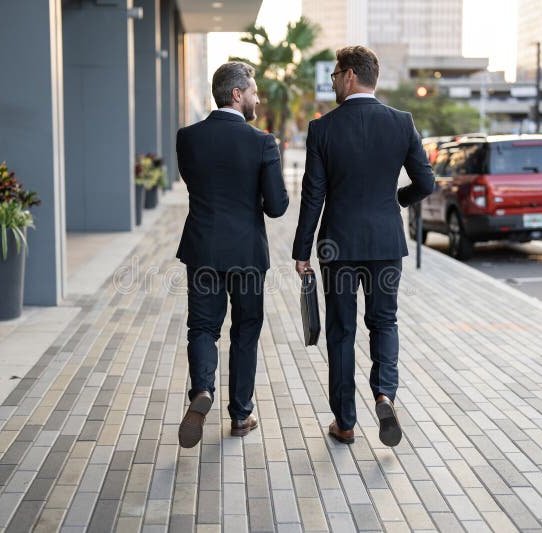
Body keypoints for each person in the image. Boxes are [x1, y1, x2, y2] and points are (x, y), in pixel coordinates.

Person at [292, 46, 435, 446]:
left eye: (337, 74)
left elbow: (313, 195)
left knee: (341, 332)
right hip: (386, 243)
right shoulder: (401, 123)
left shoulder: (323, 129)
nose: (334, 81)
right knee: (384, 321)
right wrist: (395, 203)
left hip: (337, 246)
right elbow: (426, 183)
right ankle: (385, 393)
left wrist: (302, 251)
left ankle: (346, 422)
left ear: (351, 75)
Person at [176, 62, 289, 448]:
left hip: (203, 247)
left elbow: (196, 185)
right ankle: (241, 414)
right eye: (254, 91)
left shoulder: (187, 138)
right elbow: (276, 207)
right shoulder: (262, 142)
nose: (257, 98)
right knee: (245, 331)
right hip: (246, 252)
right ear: (237, 94)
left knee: (203, 328)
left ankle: (202, 390)